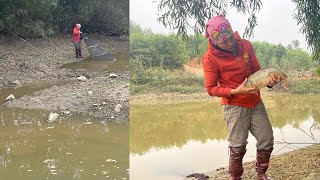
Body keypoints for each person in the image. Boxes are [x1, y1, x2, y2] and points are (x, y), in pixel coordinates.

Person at [202, 15, 282, 180]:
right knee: (238, 145)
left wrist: (269, 83)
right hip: (234, 105)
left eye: (231, 37)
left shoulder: (245, 45)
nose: (230, 43)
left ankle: (261, 174)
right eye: (225, 42)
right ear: (215, 42)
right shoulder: (209, 59)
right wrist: (235, 91)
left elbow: (258, 73)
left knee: (266, 139)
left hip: (255, 101)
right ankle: (235, 177)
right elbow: (211, 89)